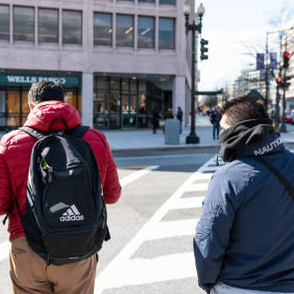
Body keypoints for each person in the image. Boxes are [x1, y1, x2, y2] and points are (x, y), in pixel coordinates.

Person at [0, 81, 121, 294]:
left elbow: (0, 205)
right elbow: (112, 195)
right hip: (79, 246)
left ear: (31, 105)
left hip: (27, 245)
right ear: (62, 102)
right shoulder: (96, 139)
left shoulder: (10, 143)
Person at [194, 96, 294, 294]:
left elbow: (208, 240)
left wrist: (208, 284)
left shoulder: (228, 177)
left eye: (223, 129)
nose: (220, 134)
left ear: (236, 131)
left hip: (241, 285)